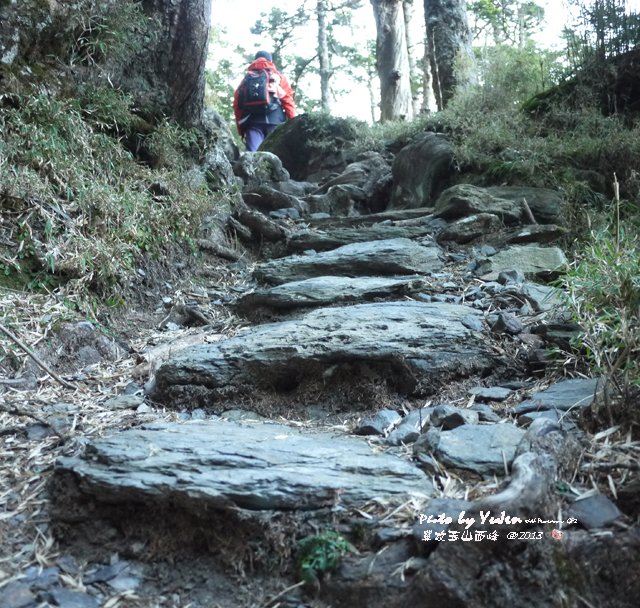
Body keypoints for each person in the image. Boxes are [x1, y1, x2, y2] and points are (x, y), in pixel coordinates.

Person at [233, 51, 296, 152]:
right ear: (271, 61)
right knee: (276, 157)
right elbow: (288, 100)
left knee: (253, 158)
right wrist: (293, 122)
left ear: (255, 60)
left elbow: (237, 105)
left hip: (253, 122)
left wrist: (241, 130)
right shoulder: (278, 77)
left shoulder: (247, 79)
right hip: (276, 122)